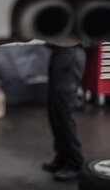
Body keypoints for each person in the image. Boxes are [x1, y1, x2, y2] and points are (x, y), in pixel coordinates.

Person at [42, 44, 86, 182]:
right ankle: (63, 157)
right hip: (60, 52)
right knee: (55, 110)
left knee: (64, 112)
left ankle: (75, 163)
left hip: (69, 53)